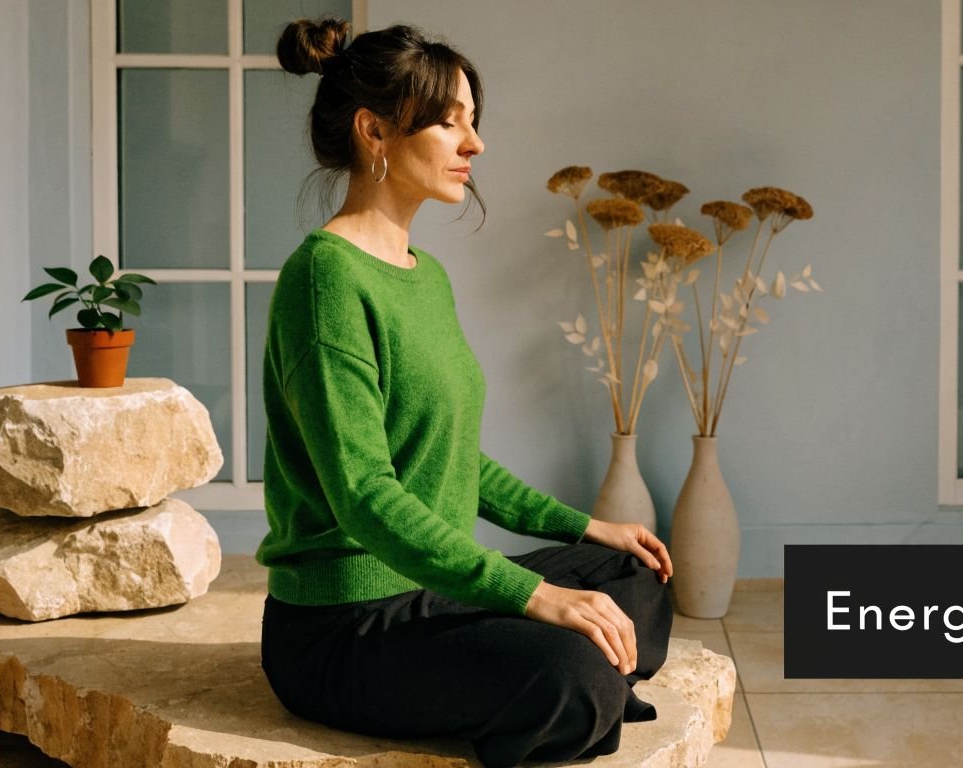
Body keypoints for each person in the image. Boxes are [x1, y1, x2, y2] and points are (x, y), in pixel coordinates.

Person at [255, 17, 674, 767]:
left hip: (431, 591)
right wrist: (534, 599)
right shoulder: (324, 279)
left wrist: (585, 528)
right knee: (574, 672)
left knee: (632, 575)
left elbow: (452, 460)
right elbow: (365, 493)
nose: (474, 146)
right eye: (450, 124)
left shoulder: (425, 275)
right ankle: (580, 685)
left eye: (472, 123)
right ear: (374, 132)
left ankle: (574, 679)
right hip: (347, 627)